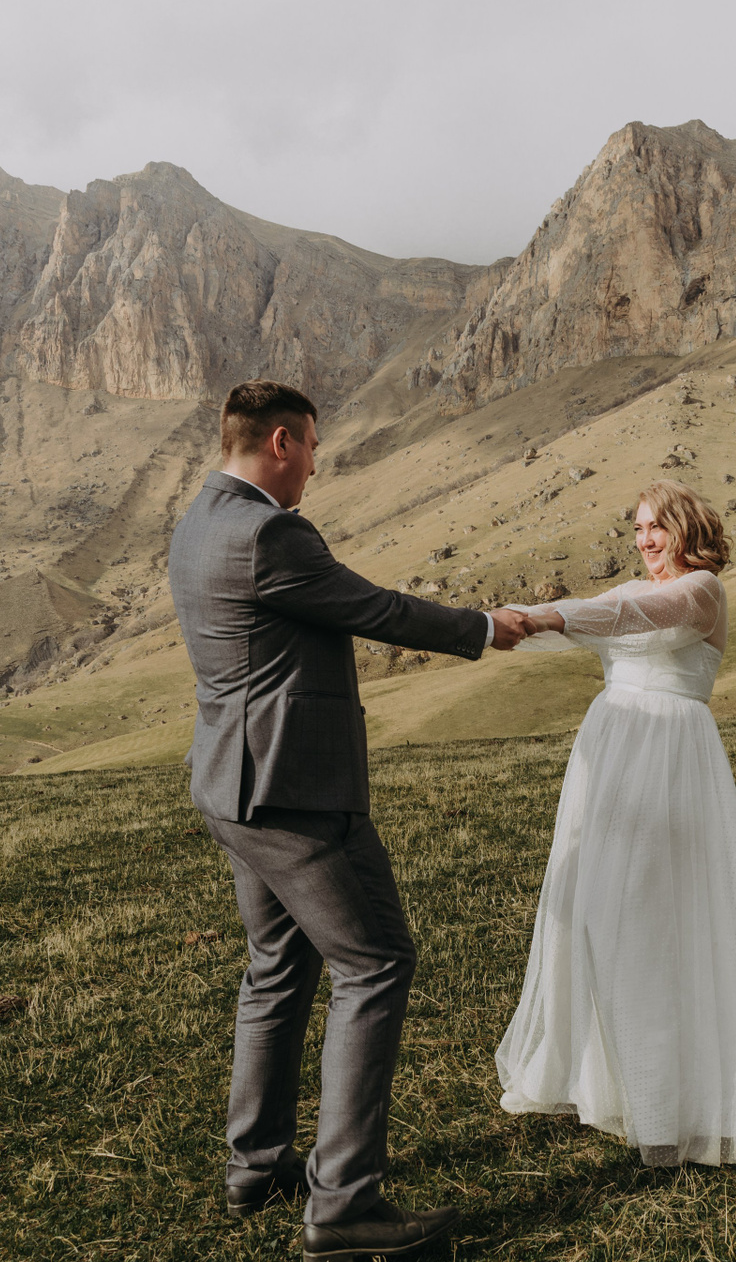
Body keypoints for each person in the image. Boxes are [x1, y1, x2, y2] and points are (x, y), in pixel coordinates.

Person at [168, 380, 530, 1260]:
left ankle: (257, 1166)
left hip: (232, 783)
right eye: (313, 450)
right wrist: (485, 627)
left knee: (277, 965)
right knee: (375, 963)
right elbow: (374, 608)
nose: (314, 469)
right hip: (295, 791)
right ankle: (344, 1208)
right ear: (282, 442)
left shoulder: (199, 521)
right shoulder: (270, 533)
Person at [494, 478, 736, 1166]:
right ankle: (609, 1080)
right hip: (610, 754)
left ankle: (667, 1107)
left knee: (649, 920)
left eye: (656, 526)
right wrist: (500, 625)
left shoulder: (701, 590)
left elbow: (630, 615)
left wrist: (548, 615)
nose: (645, 540)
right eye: (637, 528)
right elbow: (594, 618)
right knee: (595, 913)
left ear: (686, 528)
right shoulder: (630, 589)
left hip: (668, 757)